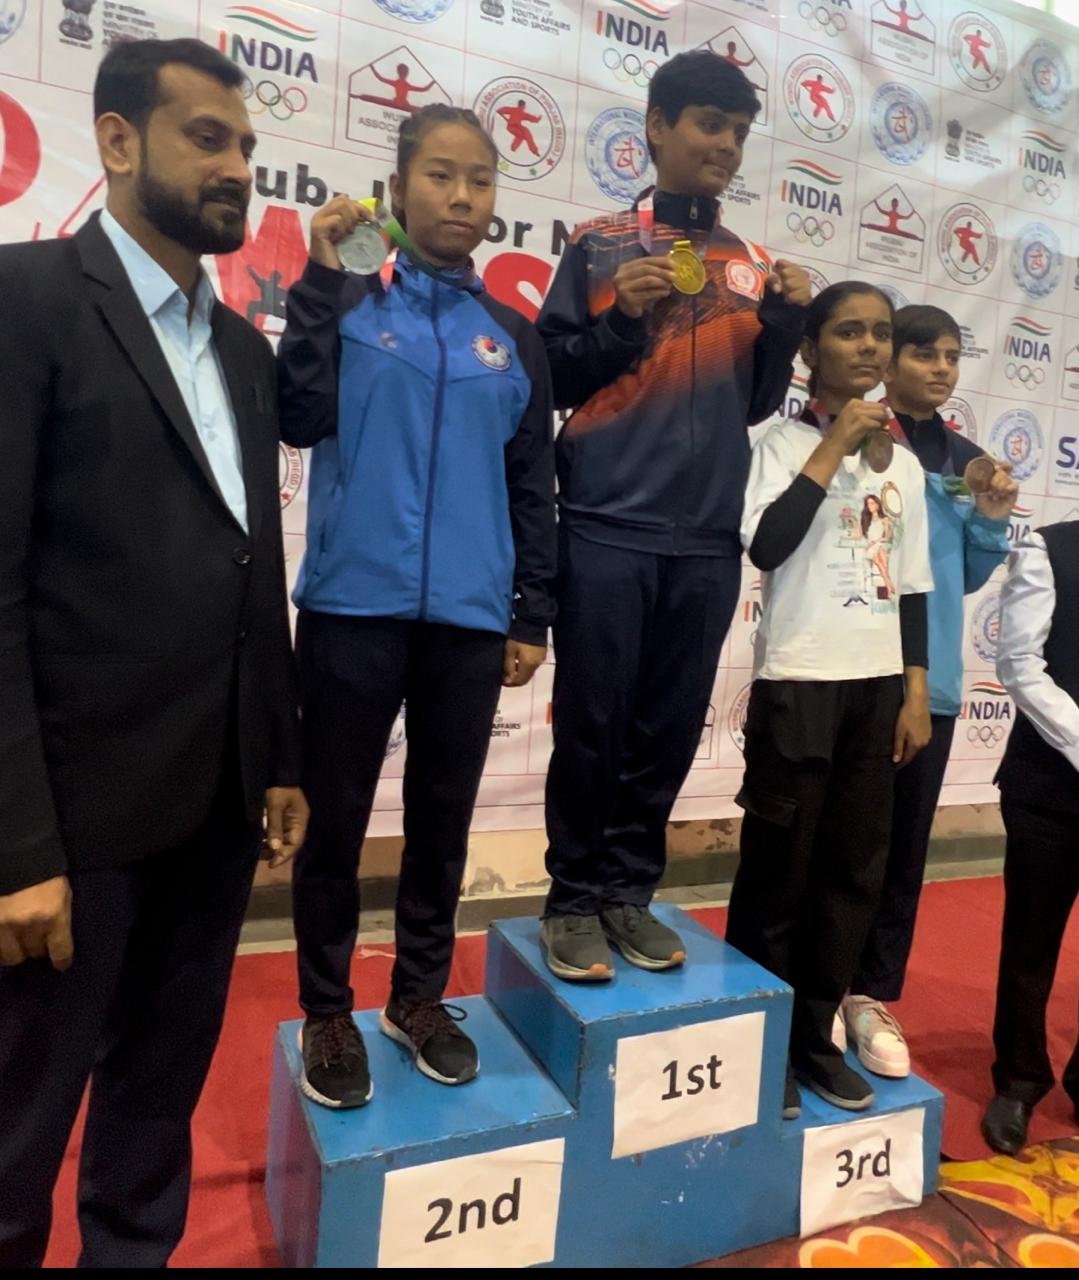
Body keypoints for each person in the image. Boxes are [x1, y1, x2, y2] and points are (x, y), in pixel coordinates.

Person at [0, 38, 307, 1267]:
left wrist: (276, 754)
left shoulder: (242, 350)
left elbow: (251, 562)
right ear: (118, 141)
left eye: (246, 147)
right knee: (16, 1128)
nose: (237, 168)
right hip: (70, 825)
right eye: (206, 138)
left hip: (214, 804)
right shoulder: (24, 300)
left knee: (155, 1104)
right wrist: (18, 846)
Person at [278, 104, 556, 1108]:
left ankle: (417, 997)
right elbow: (298, 413)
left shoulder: (511, 340)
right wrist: (319, 283)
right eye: (439, 175)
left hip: (469, 624)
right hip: (353, 607)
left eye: (478, 180)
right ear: (396, 189)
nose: (460, 195)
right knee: (335, 822)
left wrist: (530, 611)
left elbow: (531, 485)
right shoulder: (351, 305)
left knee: (441, 822)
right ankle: (325, 1007)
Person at [536, 48, 810, 982]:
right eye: (707, 125)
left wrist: (784, 327)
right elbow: (551, 376)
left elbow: (755, 403)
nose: (724, 145)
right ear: (656, 128)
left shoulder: (750, 266)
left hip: (704, 539)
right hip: (605, 523)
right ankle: (572, 899)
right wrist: (618, 323)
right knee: (592, 724)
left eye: (737, 132)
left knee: (665, 728)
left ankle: (627, 893)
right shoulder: (599, 245)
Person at [725, 282, 933, 1118]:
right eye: (848, 332)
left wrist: (914, 689)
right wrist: (830, 446)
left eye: (880, 333)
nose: (869, 346)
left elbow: (912, 586)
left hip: (877, 691)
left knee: (851, 876)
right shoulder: (776, 444)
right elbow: (767, 546)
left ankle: (813, 1039)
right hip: (799, 684)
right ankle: (758, 1046)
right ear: (810, 350)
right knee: (778, 877)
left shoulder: (903, 464)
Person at [841, 305, 1016, 1079]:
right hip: (847, 666)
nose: (940, 369)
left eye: (950, 356)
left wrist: (990, 518)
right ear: (889, 359)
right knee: (836, 841)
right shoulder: (856, 433)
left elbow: (966, 577)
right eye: (924, 354)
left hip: (931, 687)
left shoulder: (968, 460)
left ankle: (869, 995)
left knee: (902, 850)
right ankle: (812, 986)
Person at [981, 520, 1079, 1154]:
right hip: (1048, 789)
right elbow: (1019, 664)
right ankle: (1018, 1080)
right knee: (1030, 945)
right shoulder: (1052, 549)